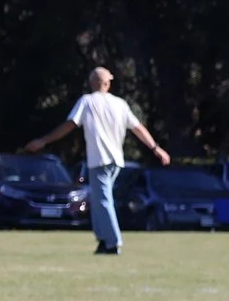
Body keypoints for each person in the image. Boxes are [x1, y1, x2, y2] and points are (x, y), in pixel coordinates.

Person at [22, 67, 169, 256]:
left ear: (92, 83)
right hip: (115, 160)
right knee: (98, 200)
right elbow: (138, 128)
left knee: (103, 200)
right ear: (107, 83)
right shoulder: (120, 104)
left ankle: (113, 242)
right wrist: (156, 148)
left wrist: (43, 140)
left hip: (100, 159)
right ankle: (103, 240)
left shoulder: (87, 101)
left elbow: (70, 124)